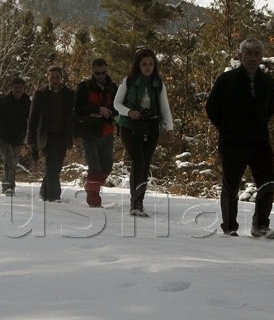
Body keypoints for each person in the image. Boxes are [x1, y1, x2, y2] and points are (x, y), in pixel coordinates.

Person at [206, 38, 274, 238]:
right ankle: (229, 227)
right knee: (231, 183)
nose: (253, 58)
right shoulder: (226, 80)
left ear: (261, 57)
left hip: (260, 141)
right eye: (249, 53)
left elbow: (271, 108)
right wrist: (227, 128)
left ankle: (261, 225)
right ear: (240, 55)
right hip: (232, 141)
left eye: (257, 54)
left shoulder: (268, 82)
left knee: (267, 181)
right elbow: (212, 108)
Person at [114, 48, 174, 217]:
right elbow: (116, 104)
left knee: (145, 163)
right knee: (138, 160)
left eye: (150, 64)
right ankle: (135, 201)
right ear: (137, 65)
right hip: (129, 126)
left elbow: (164, 108)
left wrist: (169, 128)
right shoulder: (129, 81)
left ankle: (139, 200)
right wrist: (129, 112)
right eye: (144, 64)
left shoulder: (159, 84)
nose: (148, 67)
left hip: (151, 126)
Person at [27, 66, 76, 202]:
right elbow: (33, 118)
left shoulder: (69, 94)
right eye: (52, 77)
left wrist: (75, 135)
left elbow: (73, 117)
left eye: (57, 77)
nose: (55, 80)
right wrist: (30, 139)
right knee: (51, 164)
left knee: (57, 165)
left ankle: (44, 191)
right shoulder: (40, 94)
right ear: (47, 77)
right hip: (46, 135)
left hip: (62, 136)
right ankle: (54, 195)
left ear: (61, 78)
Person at [74, 58, 117, 208]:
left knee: (107, 167)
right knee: (94, 167)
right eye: (97, 73)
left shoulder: (113, 87)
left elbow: (118, 108)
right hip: (89, 133)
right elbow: (77, 109)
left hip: (107, 132)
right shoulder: (84, 87)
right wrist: (96, 110)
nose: (100, 76)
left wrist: (109, 113)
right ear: (92, 71)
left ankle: (91, 186)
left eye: (103, 73)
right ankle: (93, 199)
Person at [0, 78, 31, 196]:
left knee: (13, 162)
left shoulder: (27, 102)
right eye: (16, 88)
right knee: (9, 160)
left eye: (20, 88)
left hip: (19, 137)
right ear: (11, 88)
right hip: (3, 136)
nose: (18, 90)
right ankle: (8, 187)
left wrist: (31, 136)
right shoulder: (3, 101)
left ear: (24, 89)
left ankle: (10, 185)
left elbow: (32, 120)